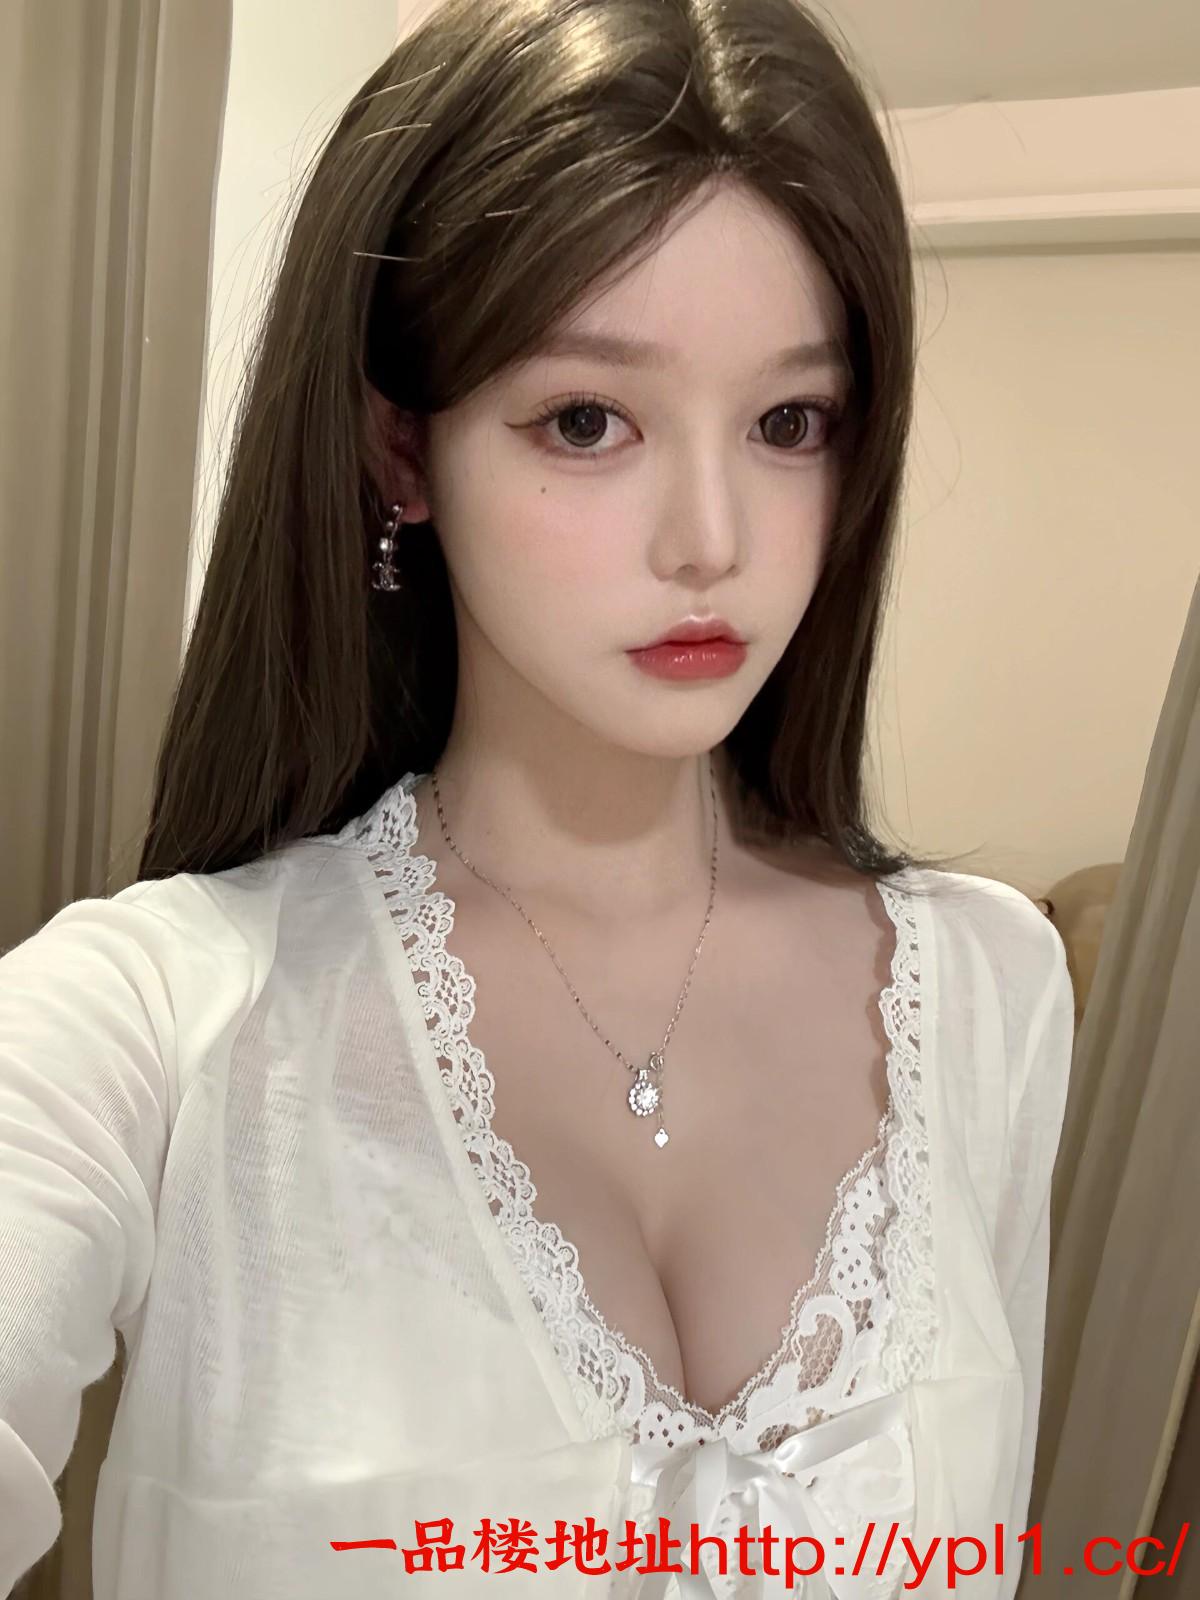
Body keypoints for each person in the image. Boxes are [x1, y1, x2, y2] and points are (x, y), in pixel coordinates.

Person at [0, 0, 1076, 1595]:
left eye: (789, 422)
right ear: (402, 451)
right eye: (588, 419)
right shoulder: (155, 1023)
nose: (711, 539)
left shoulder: (992, 991)